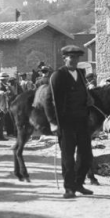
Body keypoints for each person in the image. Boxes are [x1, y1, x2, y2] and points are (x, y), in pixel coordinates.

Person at [44, 45, 94, 199]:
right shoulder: (58, 75)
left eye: (77, 57)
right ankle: (69, 188)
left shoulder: (80, 73)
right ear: (64, 58)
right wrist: (52, 122)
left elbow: (84, 93)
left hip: (82, 120)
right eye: (71, 57)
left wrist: (89, 99)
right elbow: (48, 101)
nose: (74, 60)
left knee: (86, 156)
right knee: (68, 157)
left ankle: (79, 183)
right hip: (65, 122)